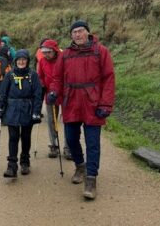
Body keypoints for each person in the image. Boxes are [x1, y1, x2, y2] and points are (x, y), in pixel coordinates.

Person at [48, 20, 115, 200]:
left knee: (92, 143)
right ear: (71, 35)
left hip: (93, 104)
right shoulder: (66, 54)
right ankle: (80, 166)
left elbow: (109, 79)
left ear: (88, 33)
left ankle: (91, 179)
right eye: (74, 32)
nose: (77, 35)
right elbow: (57, 78)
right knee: (70, 139)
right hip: (71, 103)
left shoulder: (101, 52)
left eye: (81, 31)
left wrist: (105, 104)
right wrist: (54, 91)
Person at [0, 49, 43, 178]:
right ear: (16, 61)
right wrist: (0, 110)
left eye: (24, 59)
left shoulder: (33, 75)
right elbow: (3, 93)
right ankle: (11, 166)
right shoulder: (9, 75)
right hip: (12, 109)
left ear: (27, 61)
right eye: (19, 59)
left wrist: (36, 112)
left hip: (27, 108)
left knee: (26, 137)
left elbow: (38, 95)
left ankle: (25, 162)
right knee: (13, 137)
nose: (21, 62)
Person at [37, 39, 71, 159]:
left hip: (65, 93)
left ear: (55, 50)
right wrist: (41, 84)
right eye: (44, 52)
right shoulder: (42, 61)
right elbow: (40, 76)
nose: (46, 54)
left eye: (48, 52)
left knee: (68, 120)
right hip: (49, 94)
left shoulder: (64, 59)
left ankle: (68, 147)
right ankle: (53, 145)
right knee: (52, 121)